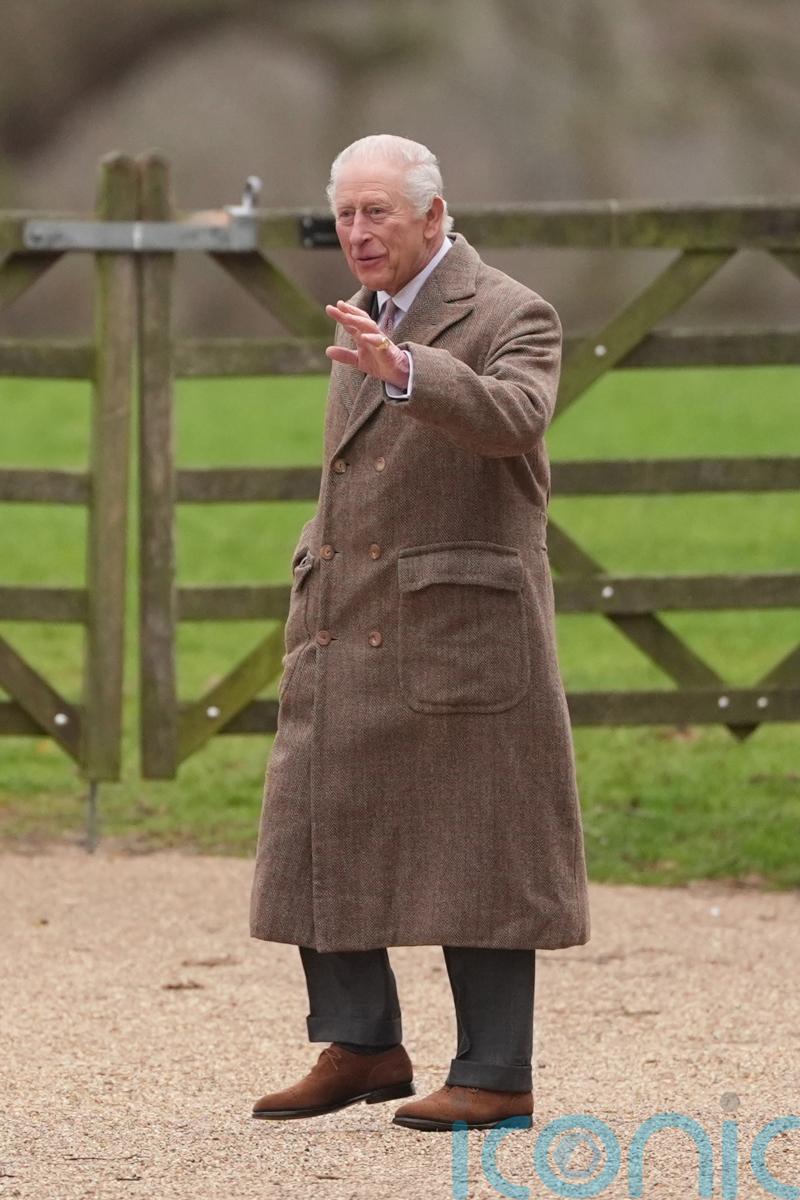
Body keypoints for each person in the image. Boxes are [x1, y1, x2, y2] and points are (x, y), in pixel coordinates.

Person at [249, 133, 590, 1132]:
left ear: (432, 216)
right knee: (319, 814)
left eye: (377, 214)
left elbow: (514, 417)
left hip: (461, 625)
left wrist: (407, 368)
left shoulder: (511, 310)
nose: (356, 232)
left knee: (479, 846)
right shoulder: (364, 311)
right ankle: (360, 1045)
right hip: (347, 612)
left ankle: (495, 1074)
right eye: (345, 214)